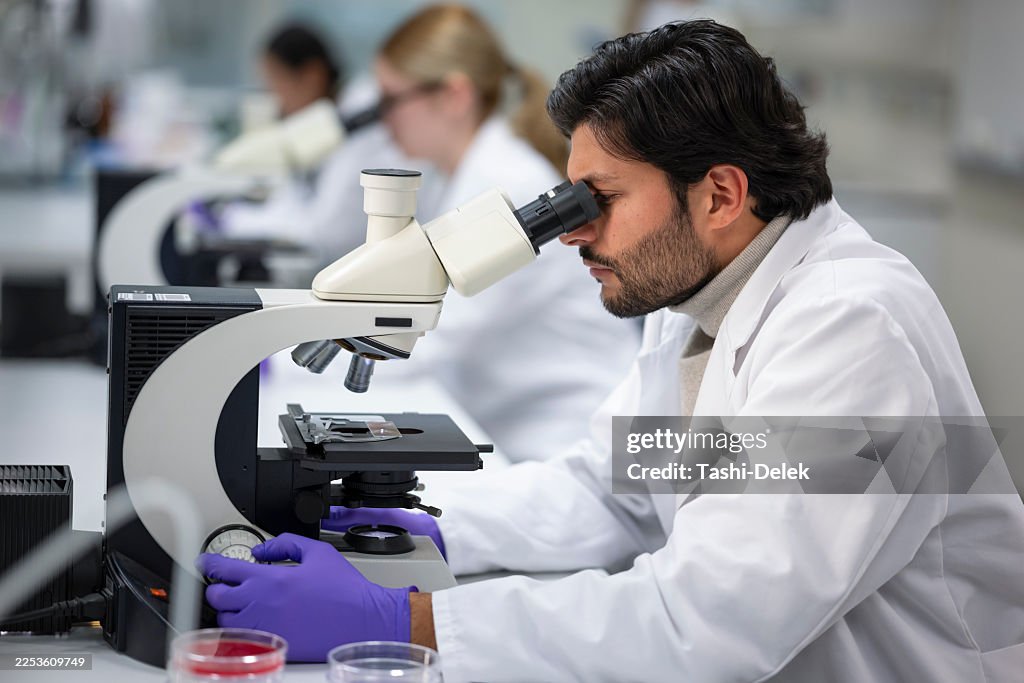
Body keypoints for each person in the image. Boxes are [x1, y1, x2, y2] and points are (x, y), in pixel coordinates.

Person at [199, 20, 1024, 681]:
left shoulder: (854, 330)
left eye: (604, 199)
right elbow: (615, 491)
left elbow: (708, 621)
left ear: (722, 194)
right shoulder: (698, 290)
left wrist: (406, 622)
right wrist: (431, 530)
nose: (576, 232)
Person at [355, 4, 639, 463]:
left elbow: (433, 337)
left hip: (569, 443)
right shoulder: (463, 176)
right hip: (510, 430)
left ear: (453, 95)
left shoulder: (506, 184)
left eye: (390, 100)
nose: (383, 119)